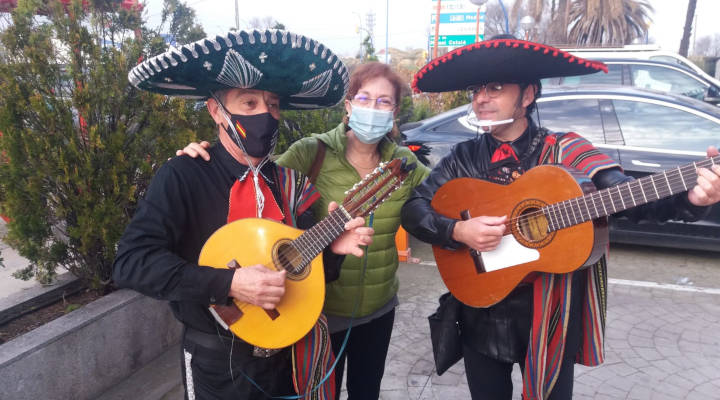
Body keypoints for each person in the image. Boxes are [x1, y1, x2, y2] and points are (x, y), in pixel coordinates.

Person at [400, 36, 720, 400]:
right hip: (481, 310)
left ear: (528, 95)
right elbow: (414, 210)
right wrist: (458, 230)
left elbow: (627, 197)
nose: (480, 99)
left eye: (495, 88)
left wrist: (691, 200)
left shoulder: (568, 150)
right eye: (476, 90)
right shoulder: (463, 156)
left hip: (550, 316)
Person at [113, 29, 376, 400]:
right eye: (248, 103)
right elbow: (132, 263)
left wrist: (334, 250)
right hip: (219, 368)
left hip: (288, 359)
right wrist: (229, 284)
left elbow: (306, 273)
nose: (265, 116)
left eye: (272, 105)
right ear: (215, 109)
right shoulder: (184, 175)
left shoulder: (290, 183)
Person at [178, 62, 430, 399]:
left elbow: (442, 199)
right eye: (365, 98)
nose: (374, 108)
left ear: (395, 111)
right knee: (319, 389)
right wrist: (208, 153)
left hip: (379, 305)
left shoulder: (404, 165)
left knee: (366, 390)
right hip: (320, 307)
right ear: (349, 105)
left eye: (384, 101)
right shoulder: (312, 152)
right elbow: (257, 176)